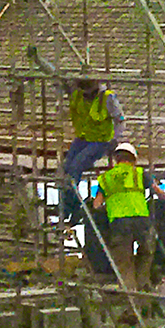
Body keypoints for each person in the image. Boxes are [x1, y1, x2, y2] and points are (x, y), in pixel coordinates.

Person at [57, 75, 125, 221]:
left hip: (100, 141)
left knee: (76, 167)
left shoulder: (107, 98)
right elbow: (57, 77)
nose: (86, 96)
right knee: (65, 168)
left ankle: (71, 207)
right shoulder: (77, 95)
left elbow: (120, 120)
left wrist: (115, 139)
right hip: (82, 139)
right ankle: (69, 204)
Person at [96, 141, 158, 294]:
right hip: (142, 221)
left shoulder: (106, 178)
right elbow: (160, 193)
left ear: (116, 159)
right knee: (146, 254)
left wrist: (108, 206)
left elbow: (97, 204)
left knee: (124, 264)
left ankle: (132, 301)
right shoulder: (141, 173)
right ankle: (143, 290)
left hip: (119, 223)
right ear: (134, 159)